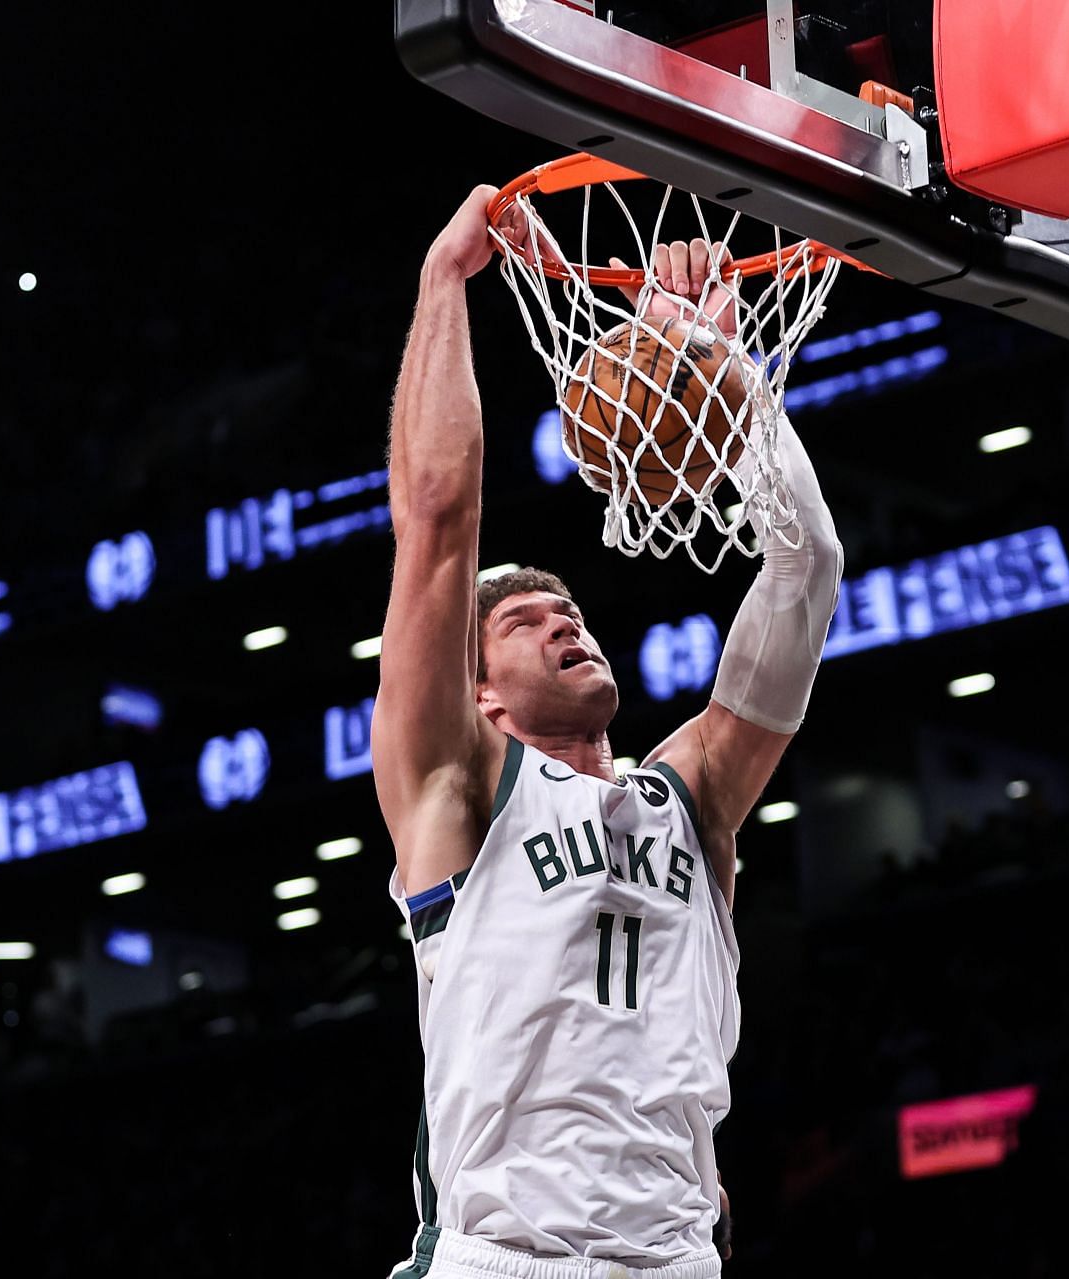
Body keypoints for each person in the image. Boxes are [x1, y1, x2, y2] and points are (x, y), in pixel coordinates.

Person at [374, 185, 843, 1278]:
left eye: (572, 613)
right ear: (479, 694)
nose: (567, 624)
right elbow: (437, 515)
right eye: (529, 626)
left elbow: (806, 565)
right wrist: (447, 281)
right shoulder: (454, 788)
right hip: (505, 1257)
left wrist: (729, 384)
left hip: (678, 1254)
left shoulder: (691, 798)